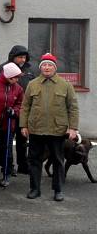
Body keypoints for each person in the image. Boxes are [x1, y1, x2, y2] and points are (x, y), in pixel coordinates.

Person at [20, 53, 79, 201]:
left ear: (54, 68)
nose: (46, 67)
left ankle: (58, 190)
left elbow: (73, 107)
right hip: (36, 129)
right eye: (44, 65)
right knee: (34, 160)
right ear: (40, 68)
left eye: (49, 65)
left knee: (58, 160)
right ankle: (34, 189)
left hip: (57, 130)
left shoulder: (65, 85)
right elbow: (25, 106)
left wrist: (73, 128)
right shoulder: (32, 84)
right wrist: (23, 125)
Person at [1, 45, 34, 174]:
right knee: (7, 141)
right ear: (13, 57)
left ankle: (23, 165)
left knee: (22, 140)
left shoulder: (30, 70)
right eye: (20, 57)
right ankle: (8, 166)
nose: (22, 60)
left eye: (24, 57)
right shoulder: (3, 68)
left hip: (24, 109)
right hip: (8, 110)